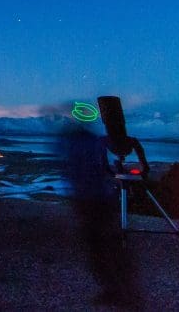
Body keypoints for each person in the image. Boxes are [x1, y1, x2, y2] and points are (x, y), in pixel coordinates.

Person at [59, 119, 140, 308]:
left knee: (98, 247)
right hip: (99, 200)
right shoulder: (96, 142)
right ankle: (122, 290)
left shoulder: (75, 142)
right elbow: (102, 168)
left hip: (89, 201)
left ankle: (119, 290)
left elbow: (72, 171)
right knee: (107, 246)